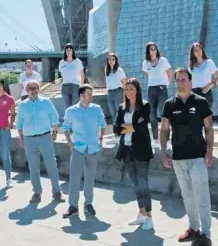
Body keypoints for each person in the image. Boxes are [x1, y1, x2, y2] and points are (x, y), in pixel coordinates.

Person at [160, 68, 214, 246]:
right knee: (187, 196)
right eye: (178, 80)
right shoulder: (169, 104)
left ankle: (205, 235)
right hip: (178, 157)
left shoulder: (200, 102)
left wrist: (210, 152)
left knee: (202, 196)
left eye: (183, 79)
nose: (180, 82)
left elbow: (209, 128)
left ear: (190, 82)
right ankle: (193, 229)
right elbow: (165, 129)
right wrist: (163, 152)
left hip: (198, 155)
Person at [113, 78, 154, 230]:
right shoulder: (121, 107)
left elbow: (142, 126)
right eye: (127, 89)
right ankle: (141, 213)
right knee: (135, 184)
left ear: (137, 90)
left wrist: (128, 127)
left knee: (143, 183)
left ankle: (149, 216)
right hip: (127, 151)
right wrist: (130, 127)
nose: (129, 92)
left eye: (132, 89)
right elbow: (116, 129)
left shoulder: (145, 105)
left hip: (141, 149)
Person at [62, 84, 107, 218]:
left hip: (93, 148)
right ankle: (73, 206)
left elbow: (103, 124)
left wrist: (101, 138)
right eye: (89, 94)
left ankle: (88, 204)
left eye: (91, 94)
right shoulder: (71, 111)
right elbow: (65, 127)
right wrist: (70, 142)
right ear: (81, 96)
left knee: (90, 178)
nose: (91, 97)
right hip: (78, 148)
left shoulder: (97, 109)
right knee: (75, 177)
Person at [17, 80, 64, 203]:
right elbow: (19, 125)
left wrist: (54, 133)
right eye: (31, 88)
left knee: (51, 165)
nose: (33, 90)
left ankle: (57, 192)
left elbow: (54, 119)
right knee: (33, 167)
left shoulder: (46, 102)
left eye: (36, 88)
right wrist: (21, 139)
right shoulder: (22, 105)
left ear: (39, 89)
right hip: (29, 139)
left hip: (45, 137)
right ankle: (37, 192)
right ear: (27, 91)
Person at [142, 42, 172, 144]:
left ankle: (166, 139)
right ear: (148, 51)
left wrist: (165, 85)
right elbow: (147, 75)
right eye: (151, 49)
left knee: (164, 115)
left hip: (162, 89)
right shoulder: (145, 63)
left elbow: (169, 74)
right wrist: (152, 83)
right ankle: (155, 139)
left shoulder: (163, 61)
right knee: (152, 116)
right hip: (151, 90)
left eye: (155, 49)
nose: (153, 51)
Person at [188, 43, 218, 108]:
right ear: (192, 53)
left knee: (205, 117)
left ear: (202, 50)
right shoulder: (191, 66)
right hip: (193, 94)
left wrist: (209, 86)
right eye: (196, 50)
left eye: (199, 49)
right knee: (194, 117)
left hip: (205, 93)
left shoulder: (209, 62)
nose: (198, 52)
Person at [59, 43, 85, 111]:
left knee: (76, 106)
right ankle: (69, 121)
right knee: (68, 108)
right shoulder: (61, 62)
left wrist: (81, 86)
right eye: (67, 50)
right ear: (65, 51)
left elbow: (82, 75)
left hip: (75, 86)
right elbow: (62, 76)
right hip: (65, 86)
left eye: (70, 50)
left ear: (73, 51)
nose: (68, 51)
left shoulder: (77, 61)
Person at [105, 52, 126, 123]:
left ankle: (123, 130)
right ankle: (116, 130)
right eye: (109, 59)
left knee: (119, 112)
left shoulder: (119, 70)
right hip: (110, 93)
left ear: (116, 60)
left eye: (113, 59)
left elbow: (124, 84)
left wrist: (124, 97)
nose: (111, 61)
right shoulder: (106, 70)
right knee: (113, 113)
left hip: (118, 92)